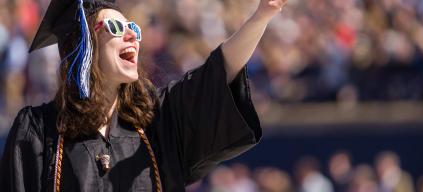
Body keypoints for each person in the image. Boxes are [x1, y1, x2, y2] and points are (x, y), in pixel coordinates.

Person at [0, 0, 287, 191]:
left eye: (133, 28)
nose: (131, 36)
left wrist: (261, 16)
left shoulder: (157, 124)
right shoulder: (39, 130)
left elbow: (217, 75)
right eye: (115, 27)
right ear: (84, 45)